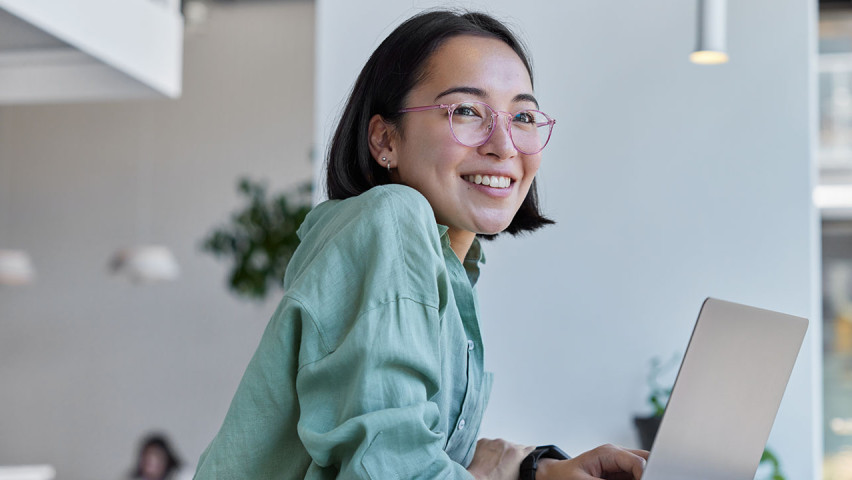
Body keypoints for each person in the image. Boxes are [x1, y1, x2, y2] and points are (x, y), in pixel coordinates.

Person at [193, 9, 648, 480]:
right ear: (384, 139)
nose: (504, 144)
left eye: (524, 116)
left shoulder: (448, 264)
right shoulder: (391, 219)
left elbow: (420, 448)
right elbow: (392, 467)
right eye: (467, 111)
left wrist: (540, 470)